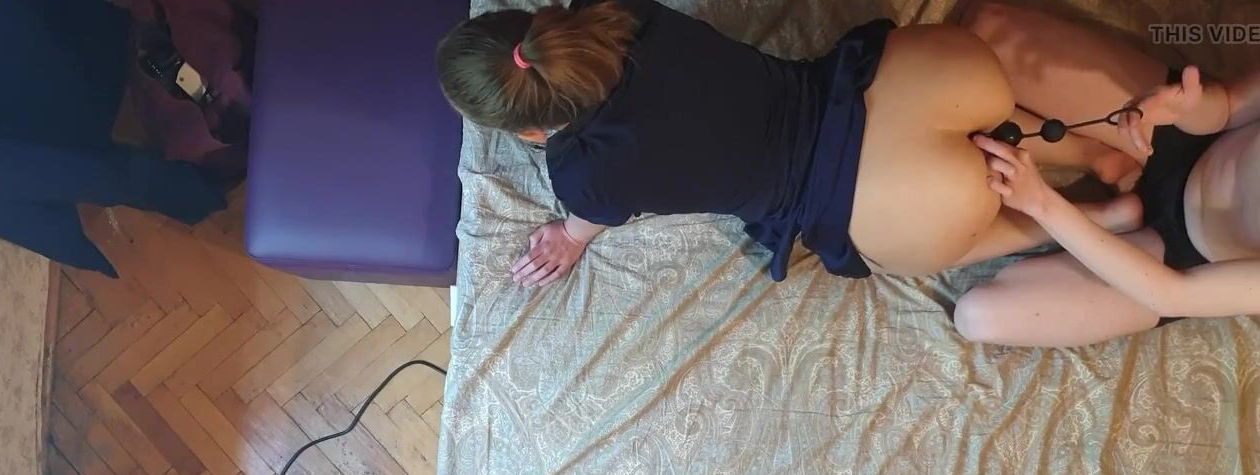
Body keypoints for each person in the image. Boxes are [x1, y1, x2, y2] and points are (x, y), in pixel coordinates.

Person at [436, 0, 1133, 288]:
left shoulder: (583, 177)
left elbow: (592, 216)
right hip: (924, 78)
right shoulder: (622, 12)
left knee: (944, 231)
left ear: (530, 131)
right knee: (989, 122)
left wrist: (569, 237)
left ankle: (1091, 221)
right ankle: (1089, 151)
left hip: (900, 200)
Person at [954, 2, 1260, 347]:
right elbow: (1228, 108)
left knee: (979, 316)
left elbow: (1173, 294)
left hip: (1178, 260)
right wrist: (1186, 110)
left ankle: (1110, 215)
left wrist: (1043, 204)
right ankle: (1101, 159)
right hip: (1187, 138)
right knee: (984, 33)